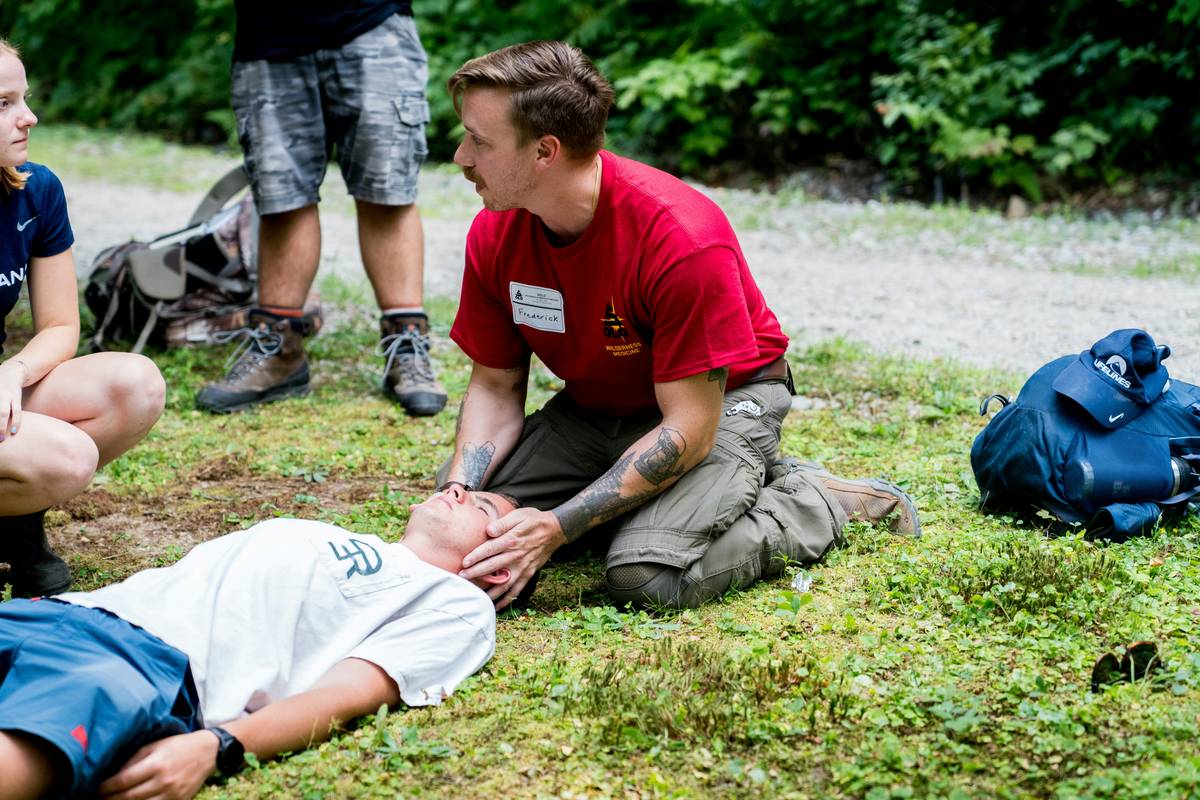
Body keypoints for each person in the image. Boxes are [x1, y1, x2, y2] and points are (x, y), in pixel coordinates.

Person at [438, 41, 921, 611]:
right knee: (468, 542)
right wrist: (460, 494)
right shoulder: (497, 233)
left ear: (545, 151)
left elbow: (688, 428)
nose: (461, 157)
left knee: (644, 575)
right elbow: (495, 387)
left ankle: (815, 500)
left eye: (480, 142)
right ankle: (687, 498)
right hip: (599, 411)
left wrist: (558, 527)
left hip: (721, 405)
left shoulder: (681, 238)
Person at [0, 484, 515, 800]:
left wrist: (218, 747)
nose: (457, 489)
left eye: (483, 505)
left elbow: (347, 694)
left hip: (136, 665)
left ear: (502, 565)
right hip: (60, 613)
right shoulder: (344, 539)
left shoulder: (456, 605)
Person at [196, 1, 447, 416]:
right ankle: (278, 350)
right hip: (267, 35)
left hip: (374, 21)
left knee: (388, 191)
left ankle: (408, 347)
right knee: (281, 197)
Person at [0, 39, 166, 599]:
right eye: (4, 104)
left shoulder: (35, 189)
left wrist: (14, 374)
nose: (30, 117)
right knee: (66, 458)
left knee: (134, 386)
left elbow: (60, 327)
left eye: (23, 98)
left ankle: (15, 524)